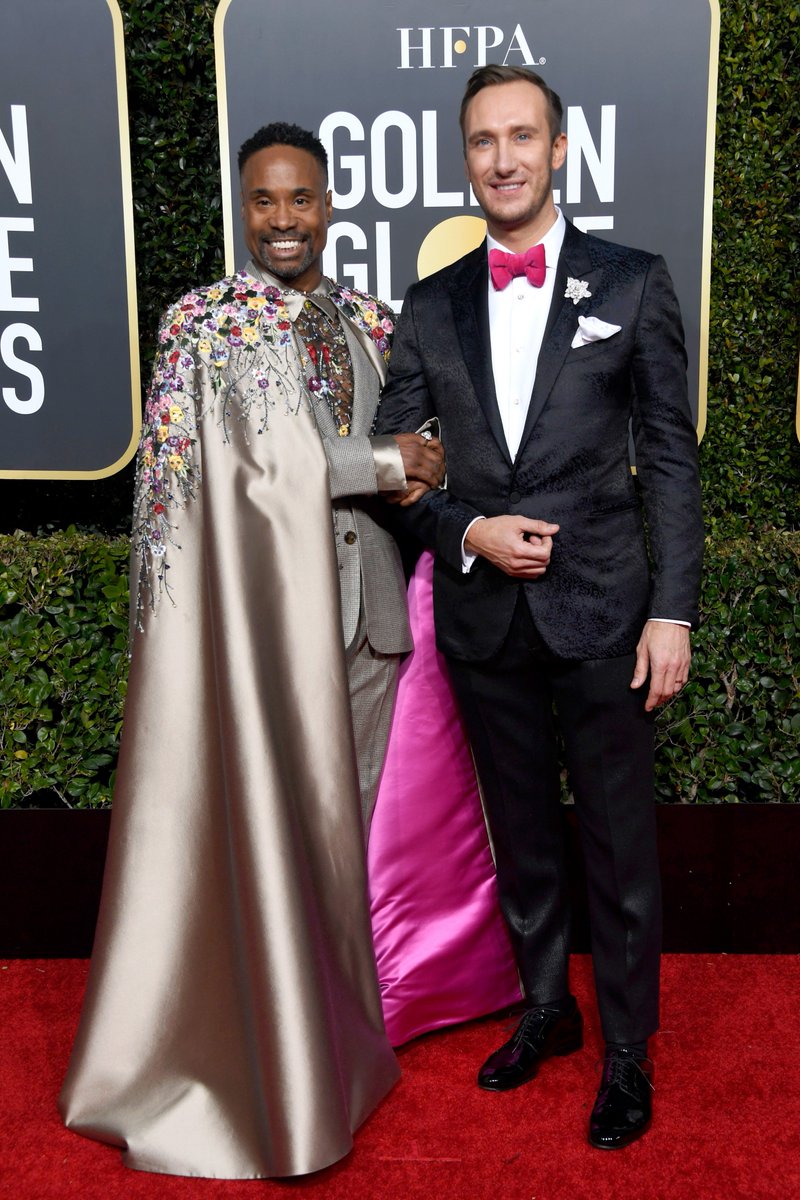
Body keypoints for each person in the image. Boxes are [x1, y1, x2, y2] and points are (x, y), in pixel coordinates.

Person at [59, 122, 443, 1180]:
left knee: (347, 841)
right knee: (279, 836)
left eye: (300, 199)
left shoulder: (374, 321)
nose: (283, 220)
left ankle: (337, 1039)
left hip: (371, 621)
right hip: (264, 635)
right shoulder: (204, 325)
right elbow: (235, 470)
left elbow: (432, 447)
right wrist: (385, 460)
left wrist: (433, 466)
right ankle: (276, 1053)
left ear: (329, 205)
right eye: (264, 201)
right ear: (244, 209)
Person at [375, 65, 703, 1149]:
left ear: (559, 150)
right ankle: (548, 1009)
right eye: (483, 140)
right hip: (484, 620)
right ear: (465, 158)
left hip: (606, 612)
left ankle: (627, 1049)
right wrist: (466, 530)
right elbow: (392, 466)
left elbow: (669, 458)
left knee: (617, 844)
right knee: (518, 835)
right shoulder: (429, 305)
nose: (503, 158)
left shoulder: (633, 283)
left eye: (522, 137)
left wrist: (673, 612)